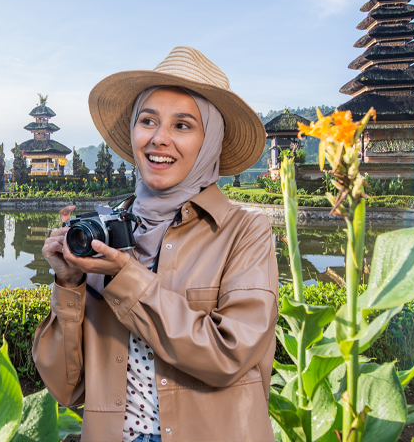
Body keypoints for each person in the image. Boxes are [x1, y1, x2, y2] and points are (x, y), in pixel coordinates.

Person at [33, 46, 279, 442]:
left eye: (182, 126)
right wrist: (69, 284)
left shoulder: (244, 232)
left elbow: (227, 355)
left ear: (209, 141)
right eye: (148, 121)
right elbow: (66, 388)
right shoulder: (108, 231)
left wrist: (125, 278)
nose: (159, 139)